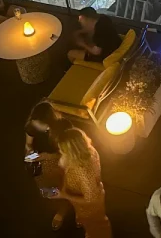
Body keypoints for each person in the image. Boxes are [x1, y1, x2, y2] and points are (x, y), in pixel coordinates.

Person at [48, 128, 111, 238]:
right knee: (90, 222)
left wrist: (64, 195)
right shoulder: (89, 151)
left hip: (89, 208)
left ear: (72, 151)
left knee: (97, 226)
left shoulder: (81, 171)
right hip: (82, 202)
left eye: (62, 149)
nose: (60, 151)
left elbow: (91, 199)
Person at [24, 102, 72, 230]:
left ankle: (65, 209)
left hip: (60, 161)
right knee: (47, 189)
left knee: (63, 186)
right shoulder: (32, 126)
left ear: (49, 122)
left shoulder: (63, 127)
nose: (36, 127)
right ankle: (59, 203)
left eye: (40, 124)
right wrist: (29, 153)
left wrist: (48, 156)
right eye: (34, 123)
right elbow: (28, 144)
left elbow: (69, 151)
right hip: (41, 162)